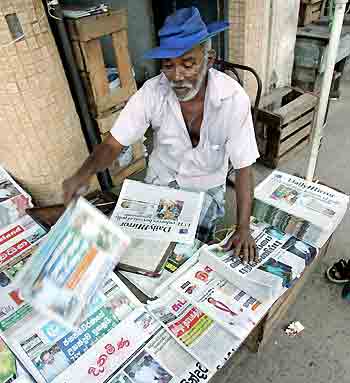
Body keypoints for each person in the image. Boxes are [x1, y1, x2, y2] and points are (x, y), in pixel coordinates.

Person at [63, 7, 260, 262]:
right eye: (168, 65)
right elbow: (113, 144)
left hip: (206, 188)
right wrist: (84, 173)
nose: (177, 76)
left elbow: (244, 167)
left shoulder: (233, 99)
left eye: (188, 64)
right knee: (136, 256)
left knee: (186, 257)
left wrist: (243, 228)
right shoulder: (152, 92)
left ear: (209, 60)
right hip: (160, 182)